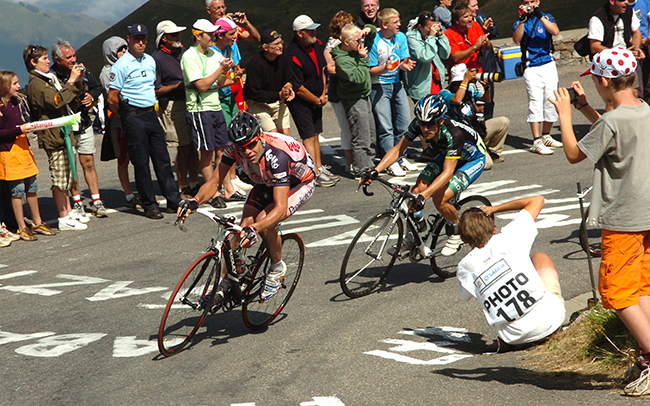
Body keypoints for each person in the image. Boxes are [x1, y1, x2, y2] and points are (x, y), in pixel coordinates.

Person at [549, 48, 650, 397]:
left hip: (623, 219)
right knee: (641, 288)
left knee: (617, 293)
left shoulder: (611, 121)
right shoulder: (643, 112)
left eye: (595, 81)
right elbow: (611, 136)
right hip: (647, 216)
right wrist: (582, 108)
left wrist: (564, 114)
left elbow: (576, 153)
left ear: (604, 81)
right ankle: (645, 353)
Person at [179, 111, 315, 302]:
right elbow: (214, 182)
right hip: (266, 179)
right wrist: (194, 201)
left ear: (260, 137)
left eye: (251, 145)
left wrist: (256, 228)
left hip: (297, 183)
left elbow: (280, 207)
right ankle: (226, 281)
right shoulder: (234, 148)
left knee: (263, 224)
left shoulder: (277, 155)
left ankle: (277, 268)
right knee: (241, 230)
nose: (247, 151)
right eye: (242, 148)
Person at [361, 94, 486, 255]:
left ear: (440, 121)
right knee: (416, 190)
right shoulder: (419, 125)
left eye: (430, 124)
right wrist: (376, 170)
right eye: (422, 124)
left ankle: (455, 232)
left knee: (440, 198)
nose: (425, 129)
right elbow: (399, 149)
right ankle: (412, 236)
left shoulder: (454, 134)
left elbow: (448, 173)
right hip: (447, 154)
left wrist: (425, 196)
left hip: (472, 160)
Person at [457, 195, 566, 352]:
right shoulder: (510, 237)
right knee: (540, 257)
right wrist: (494, 209)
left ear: (463, 239)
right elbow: (538, 200)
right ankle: (547, 319)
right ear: (494, 230)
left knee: (481, 290)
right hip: (551, 321)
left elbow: (465, 295)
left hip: (514, 338)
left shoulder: (464, 267)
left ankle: (505, 338)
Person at [107, 24, 182, 219]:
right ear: (129, 39)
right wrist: (125, 116)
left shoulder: (149, 60)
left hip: (151, 114)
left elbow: (153, 87)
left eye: (143, 38)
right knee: (141, 162)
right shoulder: (121, 65)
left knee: (162, 158)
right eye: (136, 38)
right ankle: (150, 204)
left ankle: (174, 200)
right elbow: (112, 98)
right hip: (133, 116)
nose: (140, 42)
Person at [25, 44, 88, 231]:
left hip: (63, 131)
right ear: (33, 62)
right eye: (44, 59)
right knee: (60, 177)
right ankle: (63, 216)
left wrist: (79, 81)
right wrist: (70, 81)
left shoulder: (48, 78)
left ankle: (69, 211)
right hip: (53, 135)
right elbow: (57, 101)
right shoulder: (36, 83)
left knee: (68, 175)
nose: (49, 61)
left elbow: (71, 96)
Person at [180, 19, 235, 209]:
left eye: (214, 33)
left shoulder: (213, 53)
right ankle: (213, 193)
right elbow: (202, 86)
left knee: (222, 149)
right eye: (210, 34)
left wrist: (226, 71)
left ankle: (223, 189)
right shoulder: (189, 56)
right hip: (199, 109)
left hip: (215, 107)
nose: (214, 36)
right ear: (198, 36)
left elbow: (219, 83)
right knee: (207, 152)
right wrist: (221, 69)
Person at [51, 40, 107, 219]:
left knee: (88, 161)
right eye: (68, 57)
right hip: (66, 126)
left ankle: (96, 200)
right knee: (72, 165)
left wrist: (92, 96)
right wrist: (73, 80)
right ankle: (77, 202)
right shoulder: (52, 76)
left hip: (83, 122)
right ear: (58, 60)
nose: (73, 60)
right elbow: (57, 100)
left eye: (74, 55)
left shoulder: (82, 68)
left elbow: (98, 87)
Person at [0, 70, 56, 241]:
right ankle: (21, 225)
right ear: (5, 86)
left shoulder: (19, 102)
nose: (18, 86)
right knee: (17, 190)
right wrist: (19, 129)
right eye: (15, 83)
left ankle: (37, 221)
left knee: (32, 187)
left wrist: (28, 126)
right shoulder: (1, 106)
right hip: (9, 151)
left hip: (24, 149)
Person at [287, 14, 339, 187]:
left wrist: (322, 94)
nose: (314, 32)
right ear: (300, 33)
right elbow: (298, 87)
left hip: (317, 98)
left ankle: (319, 167)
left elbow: (323, 69)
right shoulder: (292, 54)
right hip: (302, 102)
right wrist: (316, 100)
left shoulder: (315, 44)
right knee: (308, 136)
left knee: (316, 133)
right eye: (310, 30)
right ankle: (313, 172)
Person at [153, 20, 201, 200]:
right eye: (173, 35)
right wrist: (177, 86)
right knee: (182, 147)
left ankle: (195, 183)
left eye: (178, 34)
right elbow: (156, 89)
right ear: (163, 38)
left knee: (194, 145)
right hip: (173, 105)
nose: (178, 37)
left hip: (191, 101)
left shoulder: (184, 52)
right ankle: (183, 185)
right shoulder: (156, 59)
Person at [368, 8, 417, 177]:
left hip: (396, 83)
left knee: (404, 124)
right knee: (386, 127)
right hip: (379, 85)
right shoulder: (375, 41)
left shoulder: (401, 37)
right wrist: (385, 68)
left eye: (399, 21)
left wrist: (404, 65)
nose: (399, 24)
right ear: (384, 25)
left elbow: (402, 60)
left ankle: (401, 157)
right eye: (395, 22)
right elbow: (371, 70)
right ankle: (390, 161)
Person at [513, 0, 563, 155]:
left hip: (548, 64)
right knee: (535, 101)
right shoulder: (520, 22)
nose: (530, 4)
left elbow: (555, 31)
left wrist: (540, 16)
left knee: (551, 100)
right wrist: (523, 20)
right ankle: (536, 140)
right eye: (526, 2)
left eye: (532, 1)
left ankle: (546, 134)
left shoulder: (546, 17)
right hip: (531, 67)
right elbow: (516, 39)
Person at [440, 63, 509, 169]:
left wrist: (486, 89)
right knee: (486, 164)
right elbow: (457, 100)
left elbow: (487, 100)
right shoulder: (444, 93)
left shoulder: (468, 90)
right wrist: (465, 81)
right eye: (457, 83)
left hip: (475, 129)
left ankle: (491, 150)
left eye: (462, 82)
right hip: (460, 136)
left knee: (503, 122)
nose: (460, 85)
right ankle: (466, 159)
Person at [330, 23, 377, 177]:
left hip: (364, 96)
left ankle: (369, 165)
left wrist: (368, 28)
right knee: (361, 136)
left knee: (370, 133)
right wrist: (363, 59)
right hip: (354, 99)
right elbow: (357, 78)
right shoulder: (342, 60)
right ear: (346, 42)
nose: (361, 43)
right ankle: (360, 169)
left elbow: (372, 34)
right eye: (357, 40)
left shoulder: (355, 48)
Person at [99, 36, 140, 209]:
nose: (124, 52)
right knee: (124, 157)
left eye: (125, 48)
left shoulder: (130, 64)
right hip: (118, 121)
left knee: (139, 155)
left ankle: (141, 189)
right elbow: (115, 96)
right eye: (120, 50)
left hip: (137, 116)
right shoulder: (106, 72)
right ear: (110, 53)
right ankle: (129, 194)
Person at [324, 11, 358, 176]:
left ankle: (358, 159)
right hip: (338, 93)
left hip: (353, 90)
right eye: (350, 24)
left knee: (357, 127)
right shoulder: (333, 45)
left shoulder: (351, 41)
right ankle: (350, 163)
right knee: (347, 129)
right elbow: (330, 68)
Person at [243, 28, 295, 135]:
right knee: (273, 135)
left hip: (278, 101)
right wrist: (279, 94)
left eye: (281, 42)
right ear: (265, 47)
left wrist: (288, 87)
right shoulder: (255, 64)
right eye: (276, 44)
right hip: (259, 103)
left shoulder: (283, 56)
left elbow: (289, 77)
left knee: (286, 136)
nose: (280, 46)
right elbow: (254, 93)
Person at [405, 11, 451, 99]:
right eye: (429, 28)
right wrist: (431, 37)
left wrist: (441, 37)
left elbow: (445, 55)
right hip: (422, 86)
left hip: (437, 83)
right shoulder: (411, 38)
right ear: (420, 27)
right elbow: (425, 57)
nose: (433, 30)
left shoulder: (435, 35)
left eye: (434, 27)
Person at [445, 5, 490, 72]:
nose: (470, 19)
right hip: (460, 74)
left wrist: (486, 44)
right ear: (457, 21)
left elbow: (487, 47)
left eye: (470, 16)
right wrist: (475, 46)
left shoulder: (475, 25)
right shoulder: (449, 34)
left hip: (477, 70)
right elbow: (455, 58)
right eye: (466, 17)